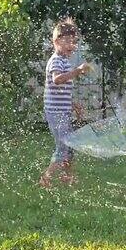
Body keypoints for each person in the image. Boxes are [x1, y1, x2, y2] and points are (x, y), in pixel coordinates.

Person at [40, 18, 94, 188]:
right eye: (68, 41)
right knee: (64, 146)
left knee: (69, 145)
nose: (72, 45)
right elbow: (57, 80)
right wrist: (77, 71)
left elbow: (61, 90)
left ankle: (67, 177)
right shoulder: (56, 60)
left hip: (62, 111)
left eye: (74, 42)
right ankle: (46, 178)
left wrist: (72, 104)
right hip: (55, 113)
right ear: (56, 42)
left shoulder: (64, 61)